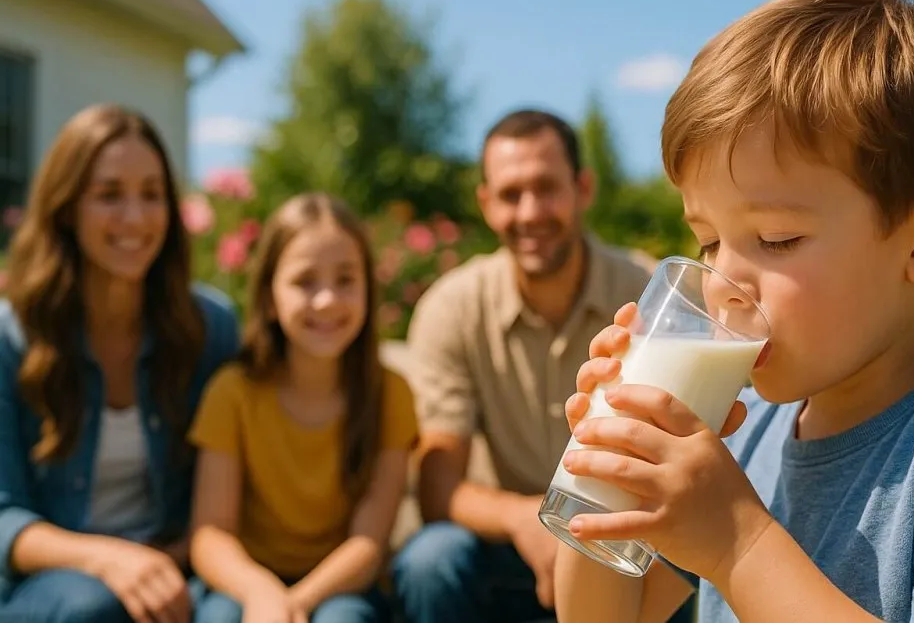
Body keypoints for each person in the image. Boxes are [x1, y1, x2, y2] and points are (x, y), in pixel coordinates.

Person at [553, 0, 914, 623]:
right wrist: (604, 475)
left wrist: (739, 540)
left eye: (776, 238)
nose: (723, 282)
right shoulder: (747, 431)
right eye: (709, 241)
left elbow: (736, 544)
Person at [391, 109, 689, 623]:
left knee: (677, 559)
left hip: (616, 543)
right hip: (502, 544)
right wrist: (521, 518)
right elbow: (439, 489)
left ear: (584, 189)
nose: (530, 212)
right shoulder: (452, 306)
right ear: (485, 204)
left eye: (547, 188)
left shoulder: (646, 295)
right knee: (429, 561)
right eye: (510, 194)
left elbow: (681, 451)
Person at [0, 103, 241, 623]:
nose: (135, 217)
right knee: (96, 607)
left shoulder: (212, 329)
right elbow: (3, 519)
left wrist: (162, 565)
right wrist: (106, 560)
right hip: (52, 587)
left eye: (152, 195)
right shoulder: (10, 337)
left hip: (178, 569)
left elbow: (230, 492)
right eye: (110, 195)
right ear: (66, 208)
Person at [187, 193, 418, 623]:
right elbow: (210, 532)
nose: (327, 299)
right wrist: (263, 595)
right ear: (270, 298)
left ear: (368, 288)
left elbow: (368, 543)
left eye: (346, 279)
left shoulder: (391, 394)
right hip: (243, 582)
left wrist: (294, 605)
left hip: (341, 587)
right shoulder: (231, 392)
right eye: (304, 281)